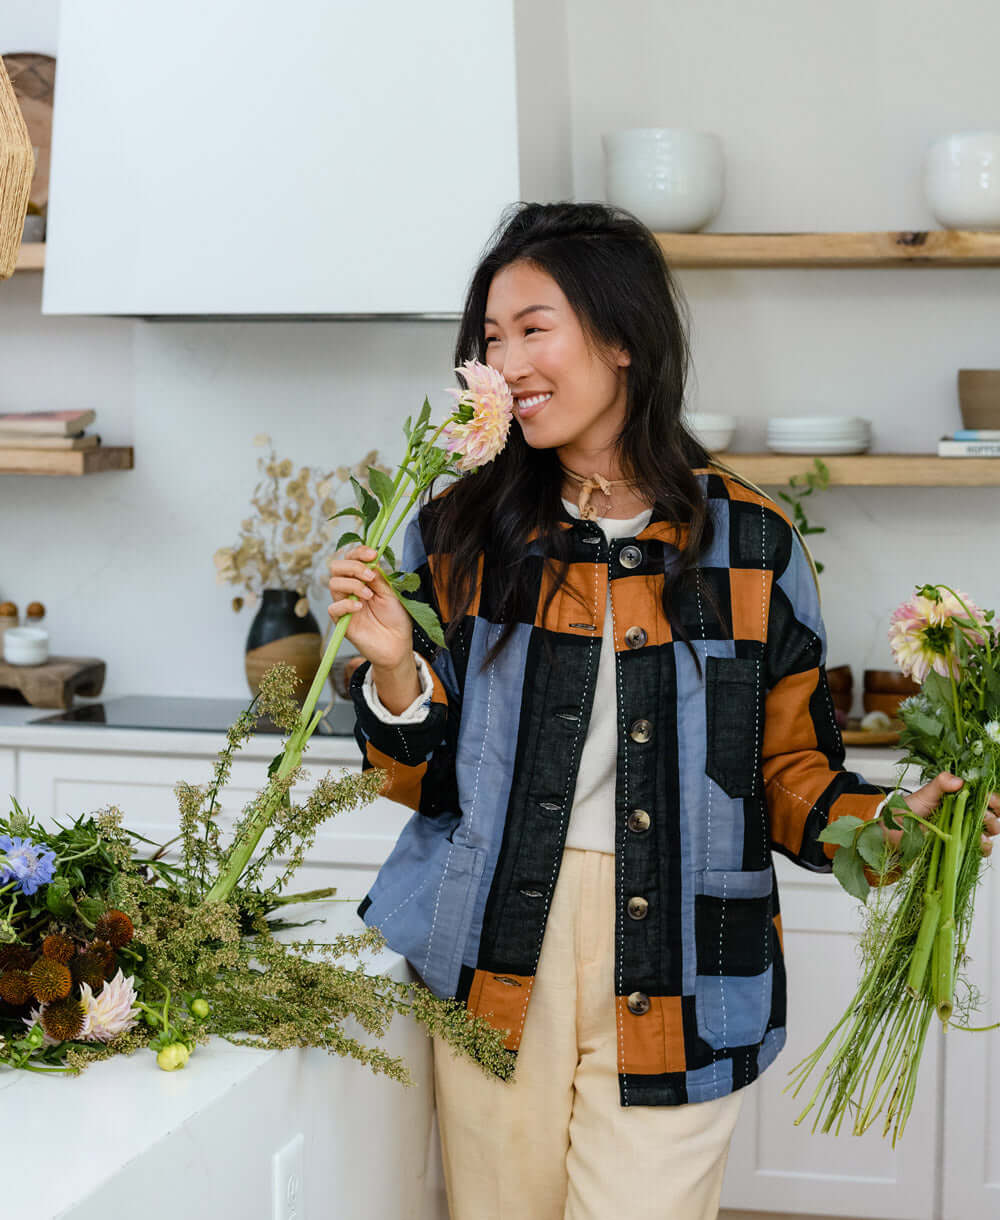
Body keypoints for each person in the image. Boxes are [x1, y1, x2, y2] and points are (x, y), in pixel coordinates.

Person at [328, 202, 1000, 1220]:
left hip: (681, 949)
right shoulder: (457, 530)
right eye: (489, 339)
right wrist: (391, 673)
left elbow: (788, 773)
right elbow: (419, 783)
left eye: (532, 327)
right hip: (492, 946)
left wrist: (898, 826)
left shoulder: (750, 540)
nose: (504, 361)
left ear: (622, 337)